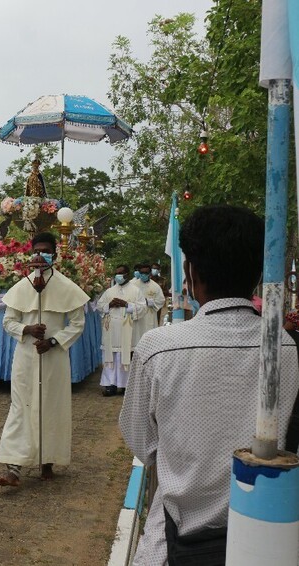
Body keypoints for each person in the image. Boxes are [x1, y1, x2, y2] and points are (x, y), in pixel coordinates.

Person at [120, 205, 299, 565]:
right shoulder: (285, 347)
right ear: (257, 272)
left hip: (175, 545)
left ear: (191, 272)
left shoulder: (158, 348)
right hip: (264, 543)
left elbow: (142, 443)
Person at [0, 232, 90, 487]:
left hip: (54, 358)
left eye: (46, 251)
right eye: (36, 250)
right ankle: (13, 467)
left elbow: (78, 323)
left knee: (51, 407)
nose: (40, 255)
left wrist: (52, 341)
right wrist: (26, 330)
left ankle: (48, 460)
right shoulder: (21, 287)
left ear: (55, 255)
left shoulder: (67, 287)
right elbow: (8, 321)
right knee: (20, 407)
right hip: (25, 357)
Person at [96, 265, 146, 396]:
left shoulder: (136, 291)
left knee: (125, 356)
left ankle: (125, 386)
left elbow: (142, 308)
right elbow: (100, 306)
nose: (118, 276)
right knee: (110, 357)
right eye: (116, 273)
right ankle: (109, 385)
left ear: (127, 274)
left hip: (127, 329)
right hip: (111, 330)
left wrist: (126, 304)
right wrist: (110, 305)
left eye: (121, 273)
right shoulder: (109, 291)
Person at [132, 262, 166, 344]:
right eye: (142, 273)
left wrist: (149, 301)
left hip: (149, 315)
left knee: (149, 338)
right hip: (137, 316)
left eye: (145, 273)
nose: (143, 275)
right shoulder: (133, 285)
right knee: (136, 338)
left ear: (149, 273)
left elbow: (161, 300)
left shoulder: (155, 286)